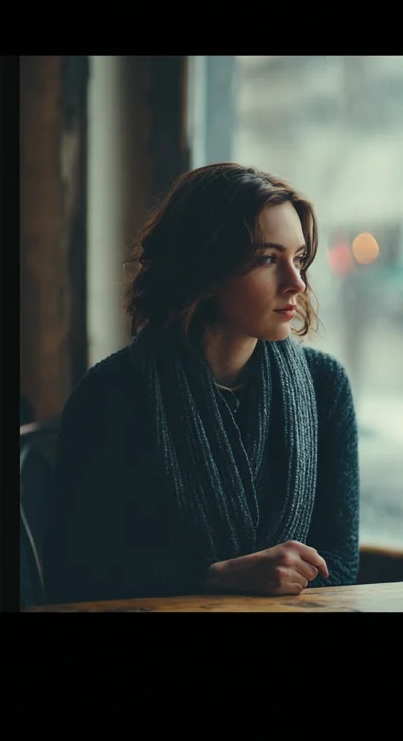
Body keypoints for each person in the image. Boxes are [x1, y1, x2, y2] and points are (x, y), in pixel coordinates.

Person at [41, 162, 360, 604]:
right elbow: (75, 573)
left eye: (299, 258)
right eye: (269, 259)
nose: (297, 283)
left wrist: (274, 580)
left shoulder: (326, 387)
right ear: (205, 269)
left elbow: (341, 561)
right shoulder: (112, 394)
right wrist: (216, 576)